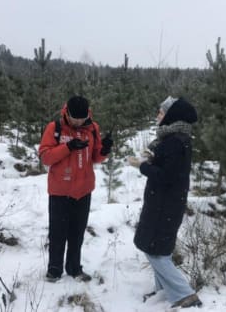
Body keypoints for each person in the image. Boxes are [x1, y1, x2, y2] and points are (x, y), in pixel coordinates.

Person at [128, 96, 202, 308]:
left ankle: (185, 294)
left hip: (164, 203)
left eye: (161, 113)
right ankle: (164, 292)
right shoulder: (175, 138)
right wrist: (151, 158)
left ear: (171, 115)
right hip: (167, 202)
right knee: (160, 248)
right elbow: (169, 168)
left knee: (153, 248)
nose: (157, 116)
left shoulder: (174, 142)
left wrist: (142, 166)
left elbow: (166, 176)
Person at [39, 96, 113, 282]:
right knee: (58, 232)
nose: (78, 121)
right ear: (67, 113)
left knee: (77, 233)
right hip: (60, 191)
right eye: (74, 118)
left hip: (83, 191)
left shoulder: (92, 128)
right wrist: (68, 147)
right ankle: (54, 270)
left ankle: (74, 268)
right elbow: (46, 157)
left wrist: (104, 150)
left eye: (82, 118)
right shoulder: (54, 128)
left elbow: (95, 157)